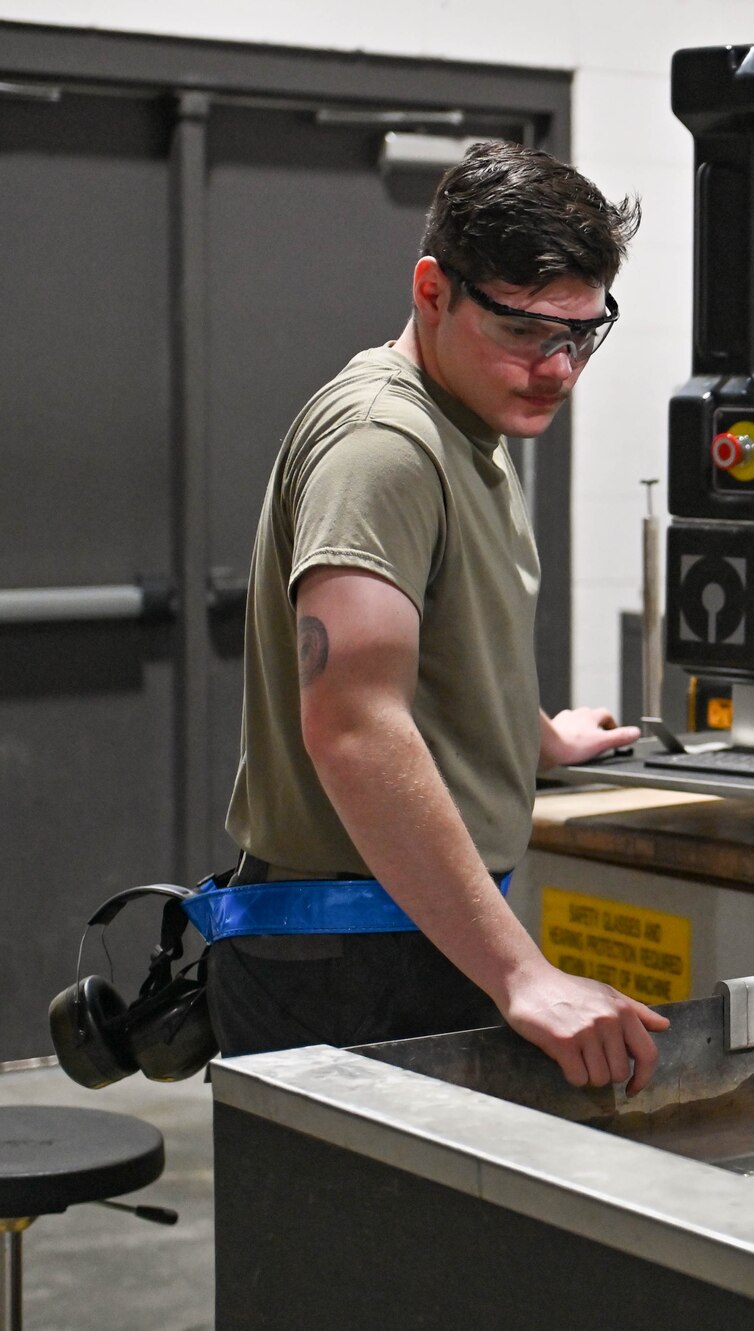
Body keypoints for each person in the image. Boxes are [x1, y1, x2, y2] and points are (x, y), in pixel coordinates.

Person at [207, 141, 668, 1093]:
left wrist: (535, 736)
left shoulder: (472, 423)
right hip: (347, 963)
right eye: (526, 331)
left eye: (580, 335)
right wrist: (523, 974)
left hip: (414, 931)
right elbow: (354, 724)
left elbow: (439, 641)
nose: (557, 369)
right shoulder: (385, 443)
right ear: (432, 291)